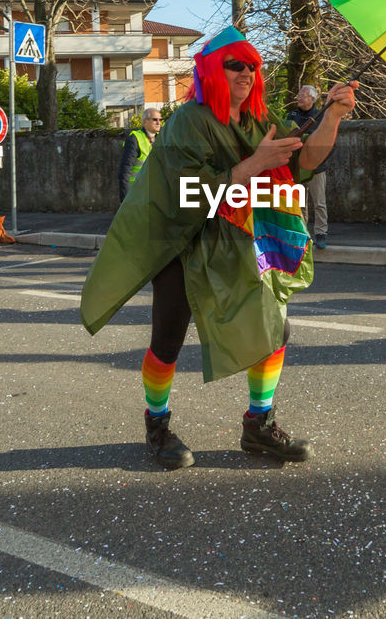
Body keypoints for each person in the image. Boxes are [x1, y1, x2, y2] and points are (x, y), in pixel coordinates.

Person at [80, 25, 357, 470]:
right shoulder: (187, 121)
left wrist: (334, 116)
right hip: (181, 240)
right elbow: (188, 194)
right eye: (235, 65)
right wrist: (255, 164)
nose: (246, 73)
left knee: (274, 329)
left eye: (252, 65)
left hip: (236, 240)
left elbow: (304, 162)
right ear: (211, 70)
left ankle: (259, 425)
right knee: (168, 337)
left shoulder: (260, 119)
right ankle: (157, 424)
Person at [285, 84, 329, 248]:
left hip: (316, 166)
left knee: (319, 202)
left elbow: (327, 142)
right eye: (298, 94)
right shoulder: (292, 116)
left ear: (312, 98)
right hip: (298, 167)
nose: (299, 97)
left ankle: (321, 233)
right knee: (299, 203)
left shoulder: (320, 116)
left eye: (303, 95)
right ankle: (303, 233)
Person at [118, 108, 162, 201]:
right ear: (145, 122)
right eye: (154, 119)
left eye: (160, 120)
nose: (158, 122)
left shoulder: (161, 139)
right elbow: (125, 170)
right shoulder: (134, 138)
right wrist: (125, 200)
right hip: (138, 193)